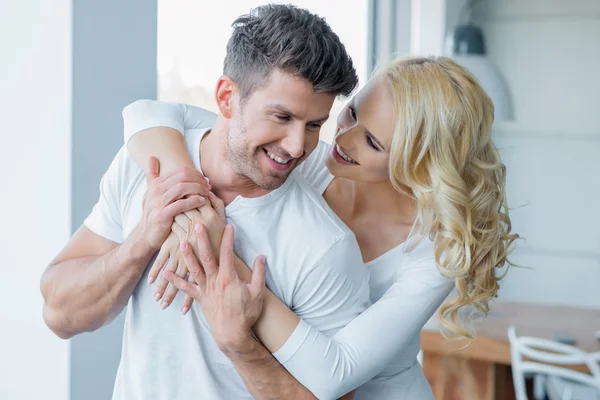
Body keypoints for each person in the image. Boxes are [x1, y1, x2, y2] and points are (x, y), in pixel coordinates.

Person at [121, 56, 518, 399]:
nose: (343, 138)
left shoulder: (437, 253)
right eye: (353, 112)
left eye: (373, 143)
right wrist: (187, 198)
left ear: (420, 164)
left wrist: (225, 258)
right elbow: (148, 113)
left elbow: (335, 373)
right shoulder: (304, 162)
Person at [40, 5, 371, 399]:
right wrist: (142, 241)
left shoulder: (325, 246)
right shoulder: (148, 167)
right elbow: (58, 313)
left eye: (314, 125)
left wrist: (241, 345)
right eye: (281, 117)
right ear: (227, 96)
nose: (298, 146)